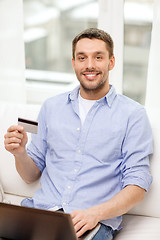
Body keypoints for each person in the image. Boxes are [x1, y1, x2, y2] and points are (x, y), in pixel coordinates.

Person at [4, 28, 153, 240]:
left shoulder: (133, 115)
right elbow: (30, 176)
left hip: (91, 223)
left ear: (111, 62)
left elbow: (137, 185)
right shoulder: (51, 107)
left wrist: (96, 213)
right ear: (74, 63)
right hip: (41, 213)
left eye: (98, 57)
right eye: (82, 58)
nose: (89, 65)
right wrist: (20, 153)